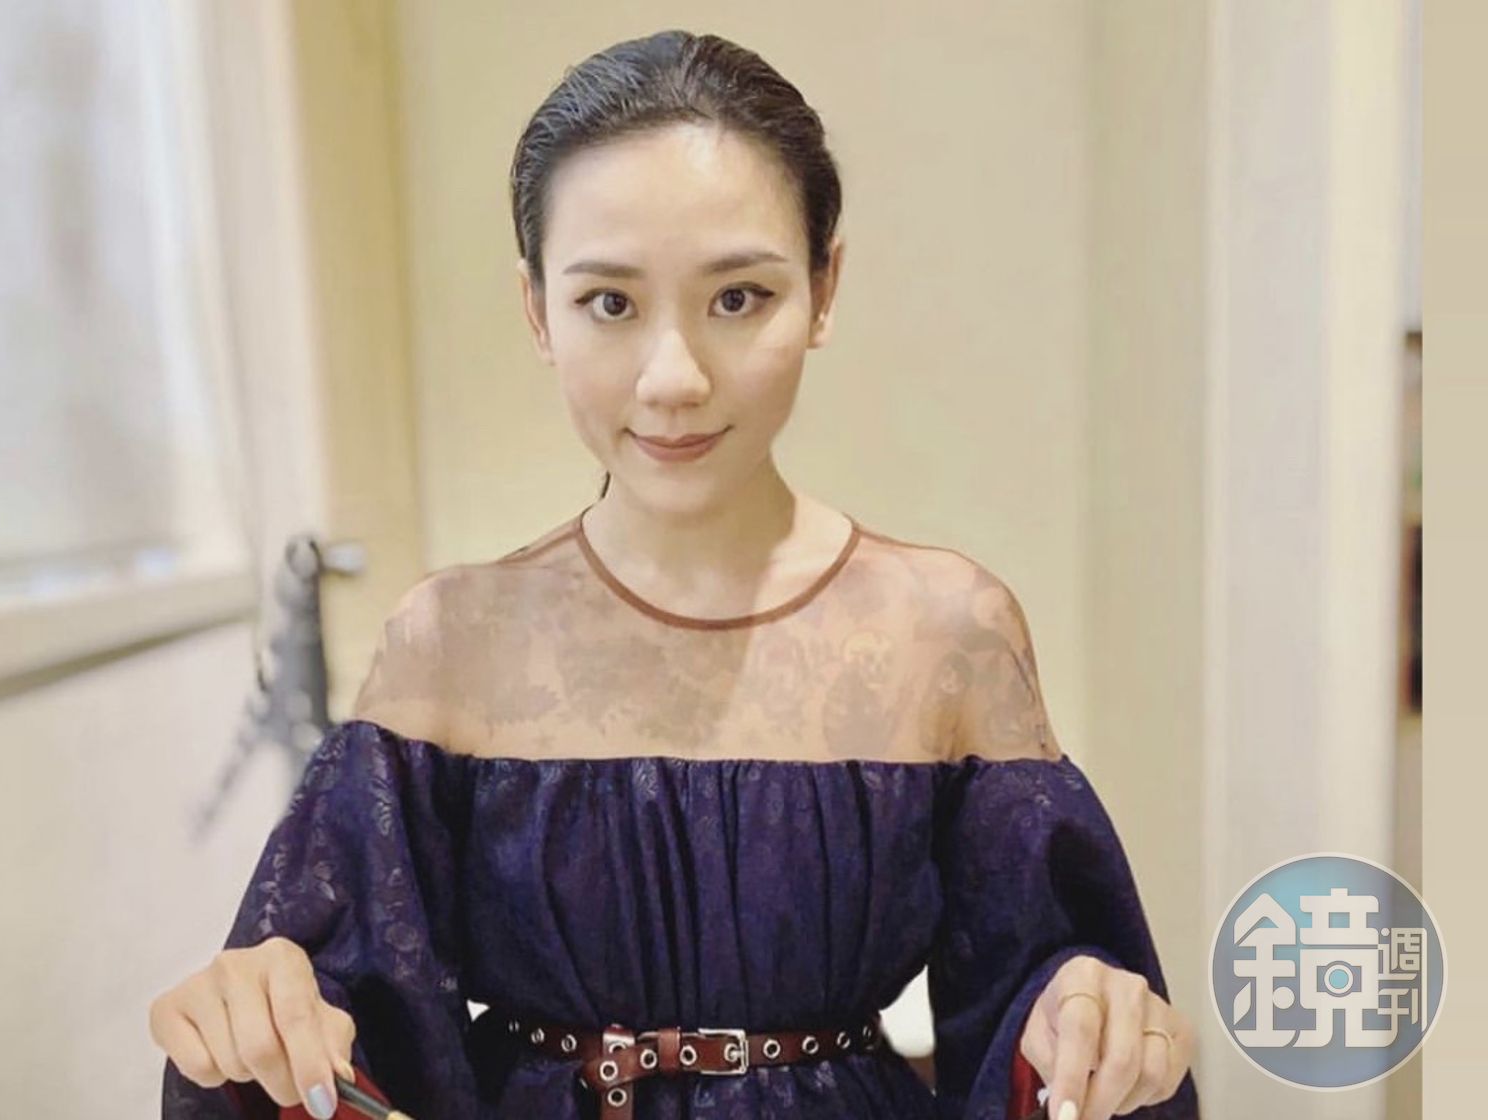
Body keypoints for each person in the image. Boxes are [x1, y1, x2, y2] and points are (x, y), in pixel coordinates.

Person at [152, 29, 1201, 1120]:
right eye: (609, 303)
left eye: (738, 297)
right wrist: (261, 1011)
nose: (673, 378)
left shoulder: (947, 628)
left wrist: (1082, 1017)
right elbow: (340, 1004)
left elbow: (1040, 979)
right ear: (537, 311)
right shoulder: (450, 641)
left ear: (823, 287)